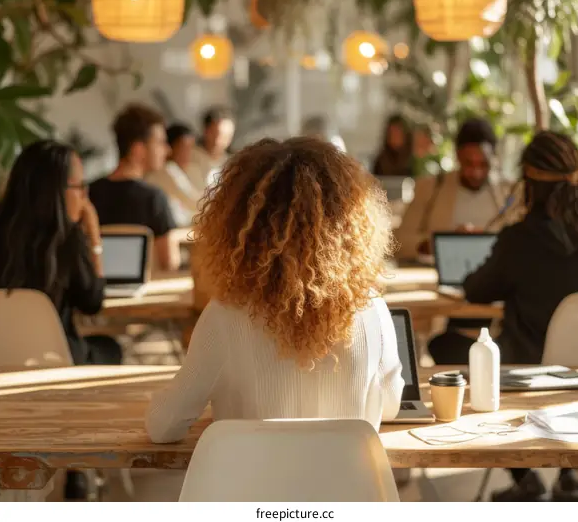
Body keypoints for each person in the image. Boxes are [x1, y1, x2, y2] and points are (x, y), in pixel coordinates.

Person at [146, 137, 404, 443]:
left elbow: (163, 428)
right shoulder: (372, 310)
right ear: (347, 225)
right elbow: (391, 407)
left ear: (239, 226)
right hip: (349, 488)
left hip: (254, 488)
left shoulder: (224, 317)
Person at [463, 131, 578, 502]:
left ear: (529, 184)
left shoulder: (518, 240)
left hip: (526, 377)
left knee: (447, 345)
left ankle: (524, 478)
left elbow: (476, 290)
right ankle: (570, 475)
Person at [0, 141, 121, 500]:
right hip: (57, 370)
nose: (85, 195)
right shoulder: (66, 241)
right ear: (56, 191)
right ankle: (79, 466)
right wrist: (93, 236)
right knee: (110, 349)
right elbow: (93, 302)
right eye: (79, 187)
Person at [397, 118, 519, 365]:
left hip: (493, 294)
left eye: (482, 164)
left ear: (494, 159)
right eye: (468, 163)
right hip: (441, 292)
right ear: (457, 157)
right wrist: (432, 244)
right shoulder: (431, 188)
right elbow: (397, 241)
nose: (475, 171)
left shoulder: (509, 193)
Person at [89, 103, 180, 271]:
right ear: (138, 149)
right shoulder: (154, 198)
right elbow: (169, 262)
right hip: (143, 293)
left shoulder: (88, 192)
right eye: (160, 142)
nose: (167, 150)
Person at [146, 123, 201, 227]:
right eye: (183, 148)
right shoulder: (168, 169)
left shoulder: (183, 170)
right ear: (170, 147)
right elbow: (194, 202)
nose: (188, 153)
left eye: (191, 148)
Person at [187, 106, 235, 194]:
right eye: (217, 134)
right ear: (206, 131)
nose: (220, 140)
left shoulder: (231, 163)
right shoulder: (189, 156)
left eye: (227, 136)